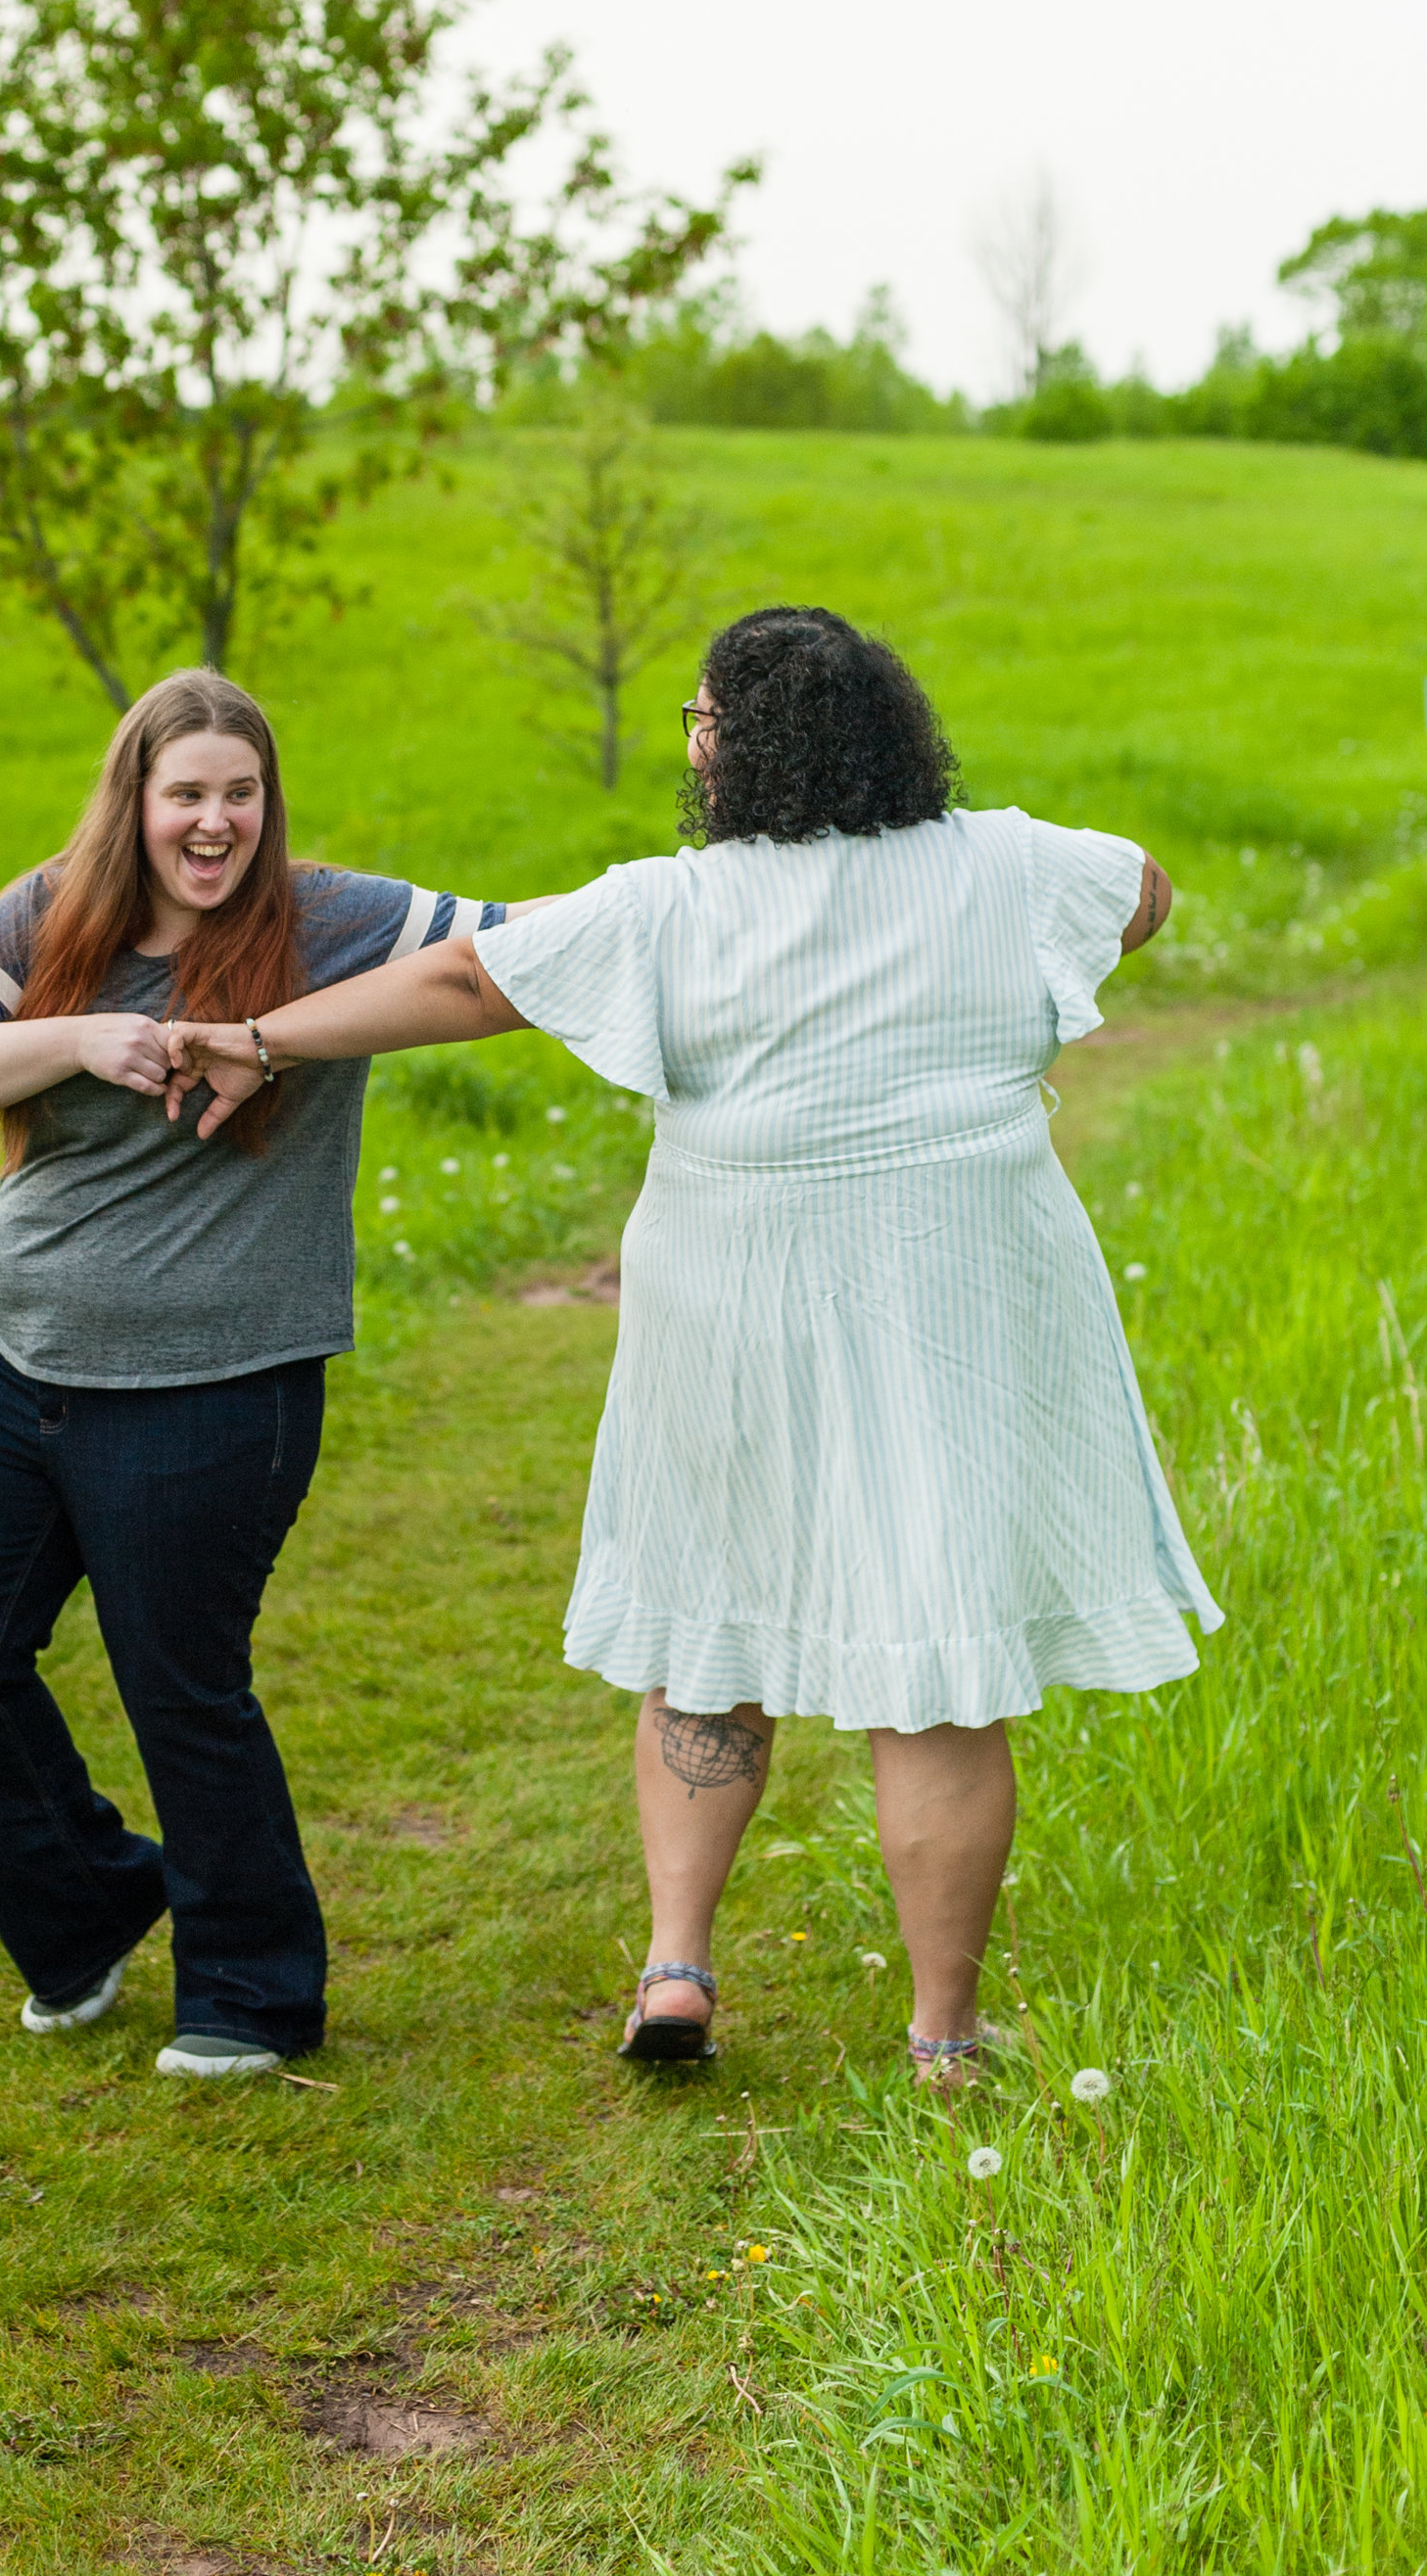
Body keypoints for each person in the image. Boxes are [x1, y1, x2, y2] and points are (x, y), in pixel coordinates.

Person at [168, 604, 1220, 2089]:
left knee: (706, 1619)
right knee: (934, 1654)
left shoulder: (675, 901)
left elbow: (478, 978)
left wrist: (262, 1037)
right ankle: (945, 2037)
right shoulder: (1011, 860)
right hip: (959, 1298)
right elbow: (1147, 895)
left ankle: (677, 1966)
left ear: (732, 746)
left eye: (699, 720)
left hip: (731, 1292)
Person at [0, 667, 514, 2080]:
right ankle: (92, 1905)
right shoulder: (52, 911)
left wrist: (274, 1034)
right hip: (13, 1351)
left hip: (216, 1378)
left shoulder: (337, 917)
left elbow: (529, 968)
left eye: (242, 793)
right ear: (137, 801)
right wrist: (79, 1036)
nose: (216, 822)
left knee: (181, 1683)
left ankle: (253, 1991)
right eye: (189, 795)